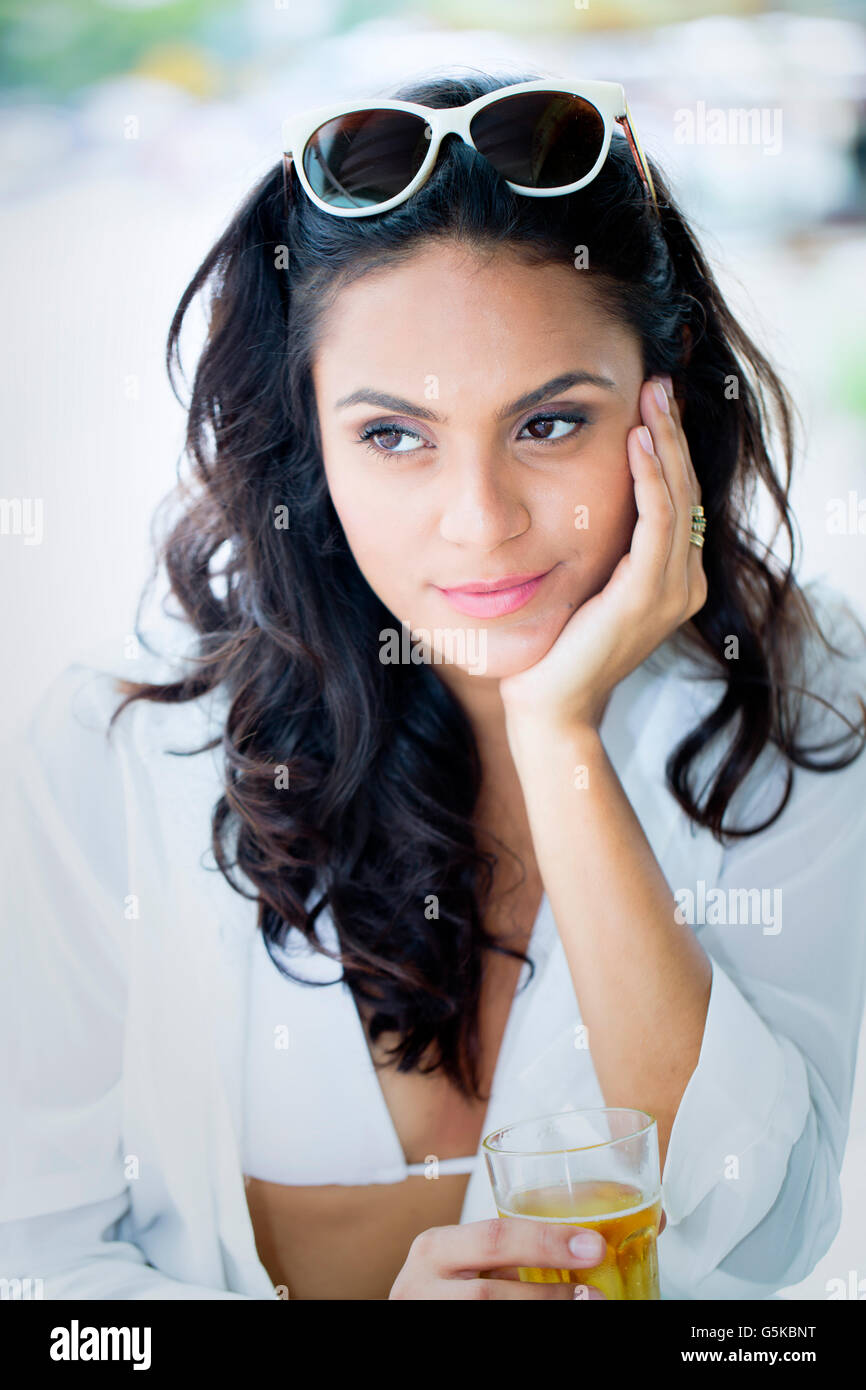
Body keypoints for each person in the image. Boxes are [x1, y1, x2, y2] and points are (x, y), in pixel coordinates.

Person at [2, 69, 865, 1302]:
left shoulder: (796, 695)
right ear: (307, 430)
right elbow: (43, 1300)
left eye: (549, 423)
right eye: (393, 435)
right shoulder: (115, 754)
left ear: (660, 395)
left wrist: (560, 735)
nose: (480, 525)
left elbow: (764, 1231)